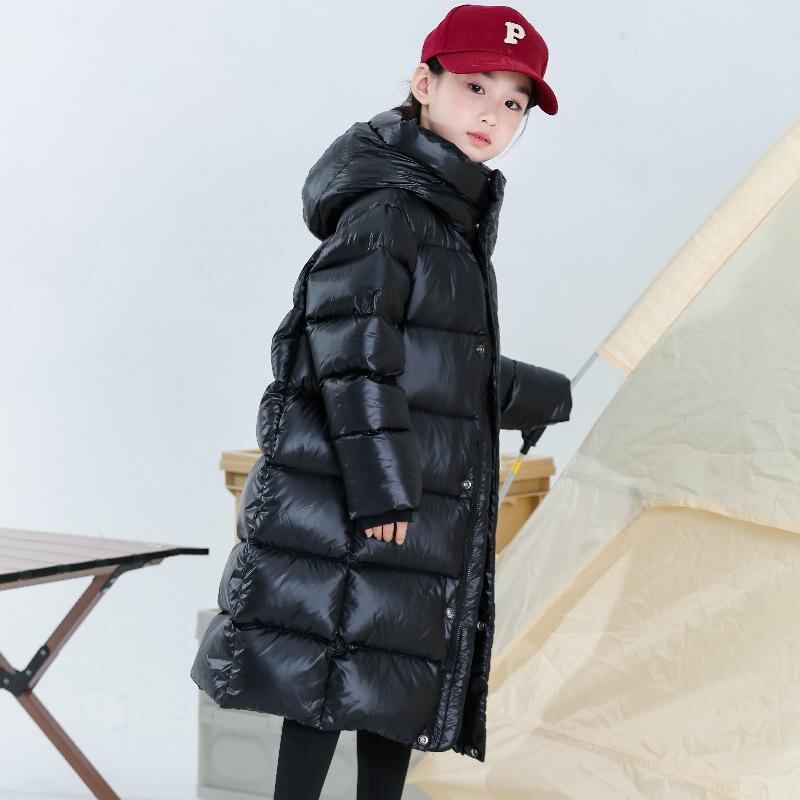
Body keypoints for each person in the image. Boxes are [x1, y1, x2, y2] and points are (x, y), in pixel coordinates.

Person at [190, 4, 573, 799]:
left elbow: (431, 359)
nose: (493, 115)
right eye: (475, 87)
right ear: (423, 84)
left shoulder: (445, 214)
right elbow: (353, 355)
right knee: (324, 691)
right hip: (363, 497)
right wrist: (384, 488)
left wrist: (536, 394)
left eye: (513, 103)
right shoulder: (390, 210)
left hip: (404, 498)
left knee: (389, 687)